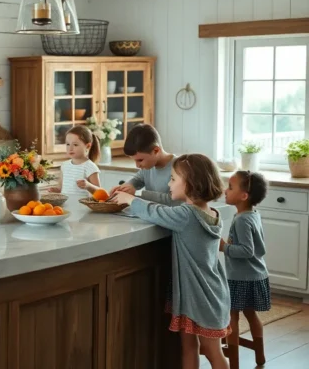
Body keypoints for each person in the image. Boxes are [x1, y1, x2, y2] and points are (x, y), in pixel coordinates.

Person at [112, 154, 230, 369]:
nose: (169, 184)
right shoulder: (210, 212)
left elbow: (155, 212)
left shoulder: (186, 215)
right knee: (193, 349)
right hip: (201, 294)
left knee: (209, 352)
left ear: (190, 183)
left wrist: (130, 199)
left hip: (202, 296)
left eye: (173, 179)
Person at [221, 171, 270, 366]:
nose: (225, 190)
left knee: (232, 315)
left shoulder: (242, 220)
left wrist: (224, 247)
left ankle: (233, 362)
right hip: (256, 275)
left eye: (230, 187)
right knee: (251, 314)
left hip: (240, 278)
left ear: (243, 196)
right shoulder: (253, 215)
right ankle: (260, 355)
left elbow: (247, 251)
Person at [110, 123, 179, 205]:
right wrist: (127, 186)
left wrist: (137, 194)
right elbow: (138, 179)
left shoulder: (180, 167)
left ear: (156, 151)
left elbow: (174, 200)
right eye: (134, 160)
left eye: (140, 160)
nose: (137, 165)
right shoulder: (148, 166)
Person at [48, 125, 101, 196]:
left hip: (81, 203)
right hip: (65, 203)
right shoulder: (64, 165)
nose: (70, 148)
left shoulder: (90, 166)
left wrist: (88, 185)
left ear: (88, 146)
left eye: (75, 145)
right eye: (68, 144)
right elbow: (60, 188)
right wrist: (55, 190)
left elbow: (100, 192)